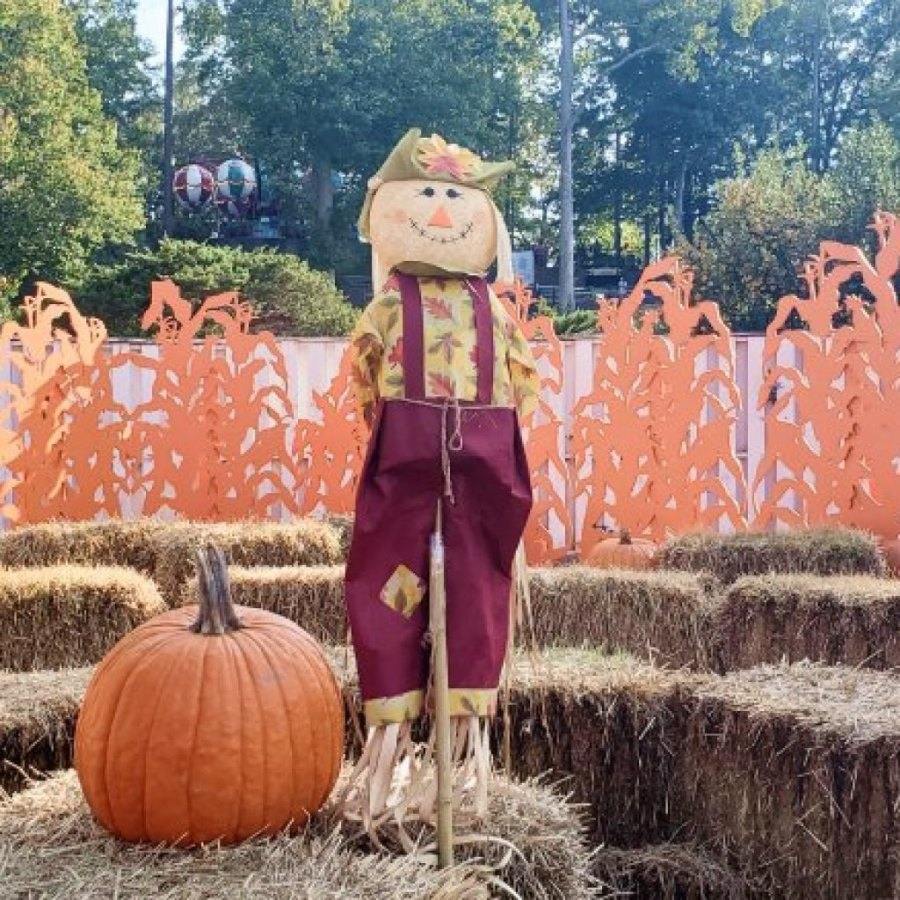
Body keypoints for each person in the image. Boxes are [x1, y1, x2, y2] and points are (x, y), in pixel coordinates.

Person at [342, 129, 539, 826]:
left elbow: (362, 375)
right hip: (452, 448)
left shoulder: (452, 305)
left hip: (449, 453)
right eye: (426, 193)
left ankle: (458, 747)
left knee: (474, 583)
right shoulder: (411, 303)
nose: (442, 209)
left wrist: (382, 421)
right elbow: (527, 386)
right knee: (403, 580)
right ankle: (398, 740)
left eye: (454, 195)